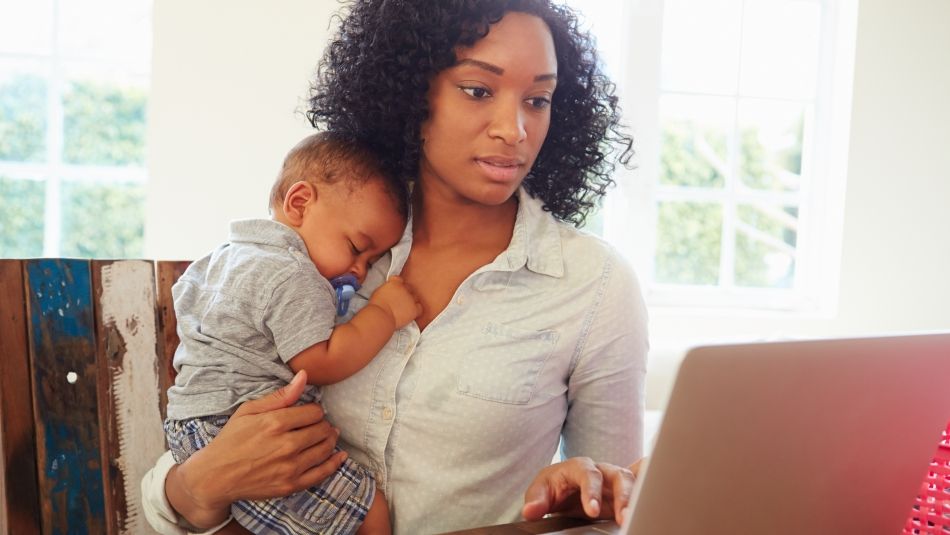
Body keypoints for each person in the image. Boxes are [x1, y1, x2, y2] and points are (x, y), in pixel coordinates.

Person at [142, 1, 649, 534]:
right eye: (478, 90)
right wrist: (200, 485)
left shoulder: (594, 285)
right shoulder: (319, 244)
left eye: (538, 99)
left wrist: (574, 495)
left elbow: (616, 511)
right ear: (412, 94)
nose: (514, 128)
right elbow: (191, 451)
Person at [162, 132, 422, 535]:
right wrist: (385, 313)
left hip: (191, 426)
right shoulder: (292, 273)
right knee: (369, 509)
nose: (360, 271)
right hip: (233, 426)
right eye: (356, 247)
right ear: (299, 203)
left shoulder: (225, 256)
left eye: (372, 260)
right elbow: (321, 361)